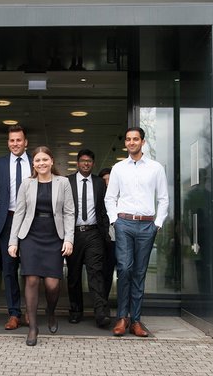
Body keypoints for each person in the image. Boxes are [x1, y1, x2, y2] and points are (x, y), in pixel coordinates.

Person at [104, 127, 169, 337]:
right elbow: (109, 198)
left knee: (139, 273)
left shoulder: (156, 168)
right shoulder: (118, 168)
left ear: (143, 142)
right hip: (124, 223)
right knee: (124, 269)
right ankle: (122, 318)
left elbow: (163, 199)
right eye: (128, 139)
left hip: (147, 226)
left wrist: (157, 223)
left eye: (136, 139)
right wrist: (115, 221)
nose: (132, 142)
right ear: (125, 143)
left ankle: (136, 320)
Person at [8, 146, 74, 346]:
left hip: (55, 236)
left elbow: (69, 212)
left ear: (52, 161)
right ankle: (33, 327)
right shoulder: (27, 184)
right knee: (32, 280)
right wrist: (13, 241)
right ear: (33, 164)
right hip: (31, 236)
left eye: (45, 159)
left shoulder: (63, 183)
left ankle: (51, 312)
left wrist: (69, 239)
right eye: (37, 160)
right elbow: (19, 212)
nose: (41, 163)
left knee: (53, 284)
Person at [0, 125, 31, 330]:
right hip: (7, 221)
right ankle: (14, 313)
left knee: (31, 270)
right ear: (8, 143)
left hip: (32, 222)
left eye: (18, 140)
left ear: (25, 142)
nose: (15, 144)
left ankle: (30, 312)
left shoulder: (36, 161)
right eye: (12, 140)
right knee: (9, 270)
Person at [66, 149, 111, 327]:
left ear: (93, 164)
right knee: (74, 275)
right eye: (83, 161)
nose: (86, 164)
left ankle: (101, 313)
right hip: (73, 233)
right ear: (77, 163)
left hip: (94, 233)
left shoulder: (100, 183)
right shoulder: (67, 182)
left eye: (89, 161)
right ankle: (76, 310)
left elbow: (104, 209)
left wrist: (106, 231)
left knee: (96, 273)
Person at [98, 167, 116, 300]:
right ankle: (102, 301)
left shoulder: (121, 196)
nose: (107, 182)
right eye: (104, 180)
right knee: (104, 272)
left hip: (118, 239)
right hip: (102, 239)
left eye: (110, 179)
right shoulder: (98, 197)